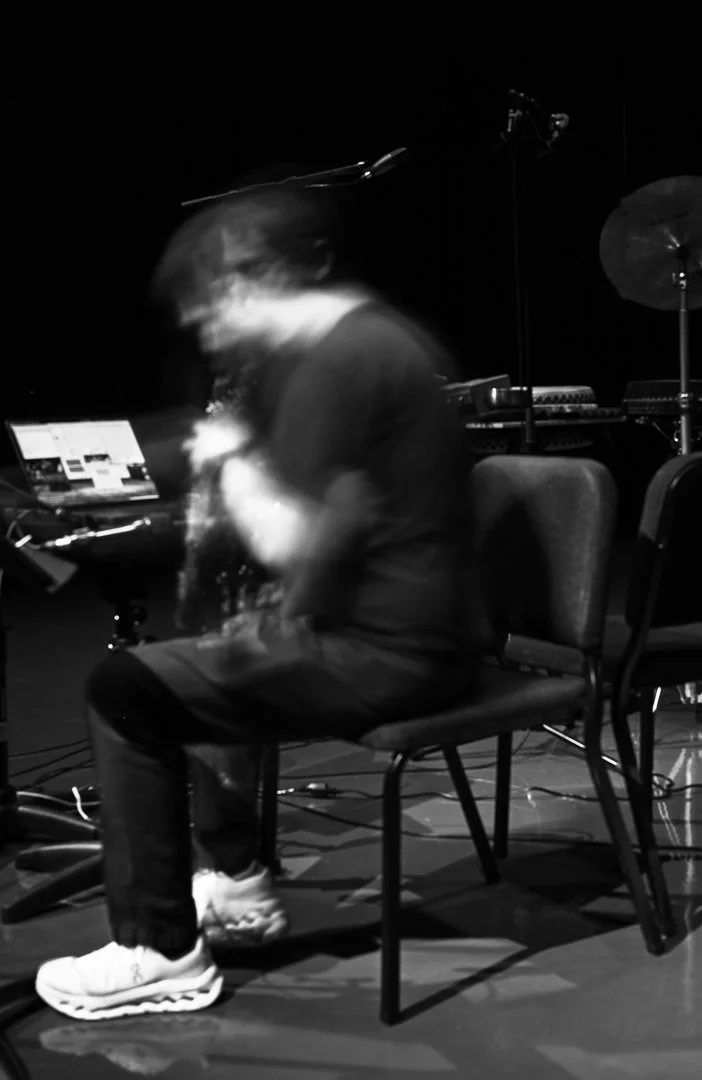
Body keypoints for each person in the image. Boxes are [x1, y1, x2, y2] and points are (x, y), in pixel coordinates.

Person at [35, 185, 481, 1020]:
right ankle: (236, 883)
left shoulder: (342, 364)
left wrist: (232, 455)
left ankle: (160, 951)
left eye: (208, 306)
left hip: (393, 656)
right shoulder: (370, 341)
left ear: (257, 279)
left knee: (125, 688)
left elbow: (293, 542)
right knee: (213, 651)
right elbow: (346, 524)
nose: (204, 329)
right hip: (420, 636)